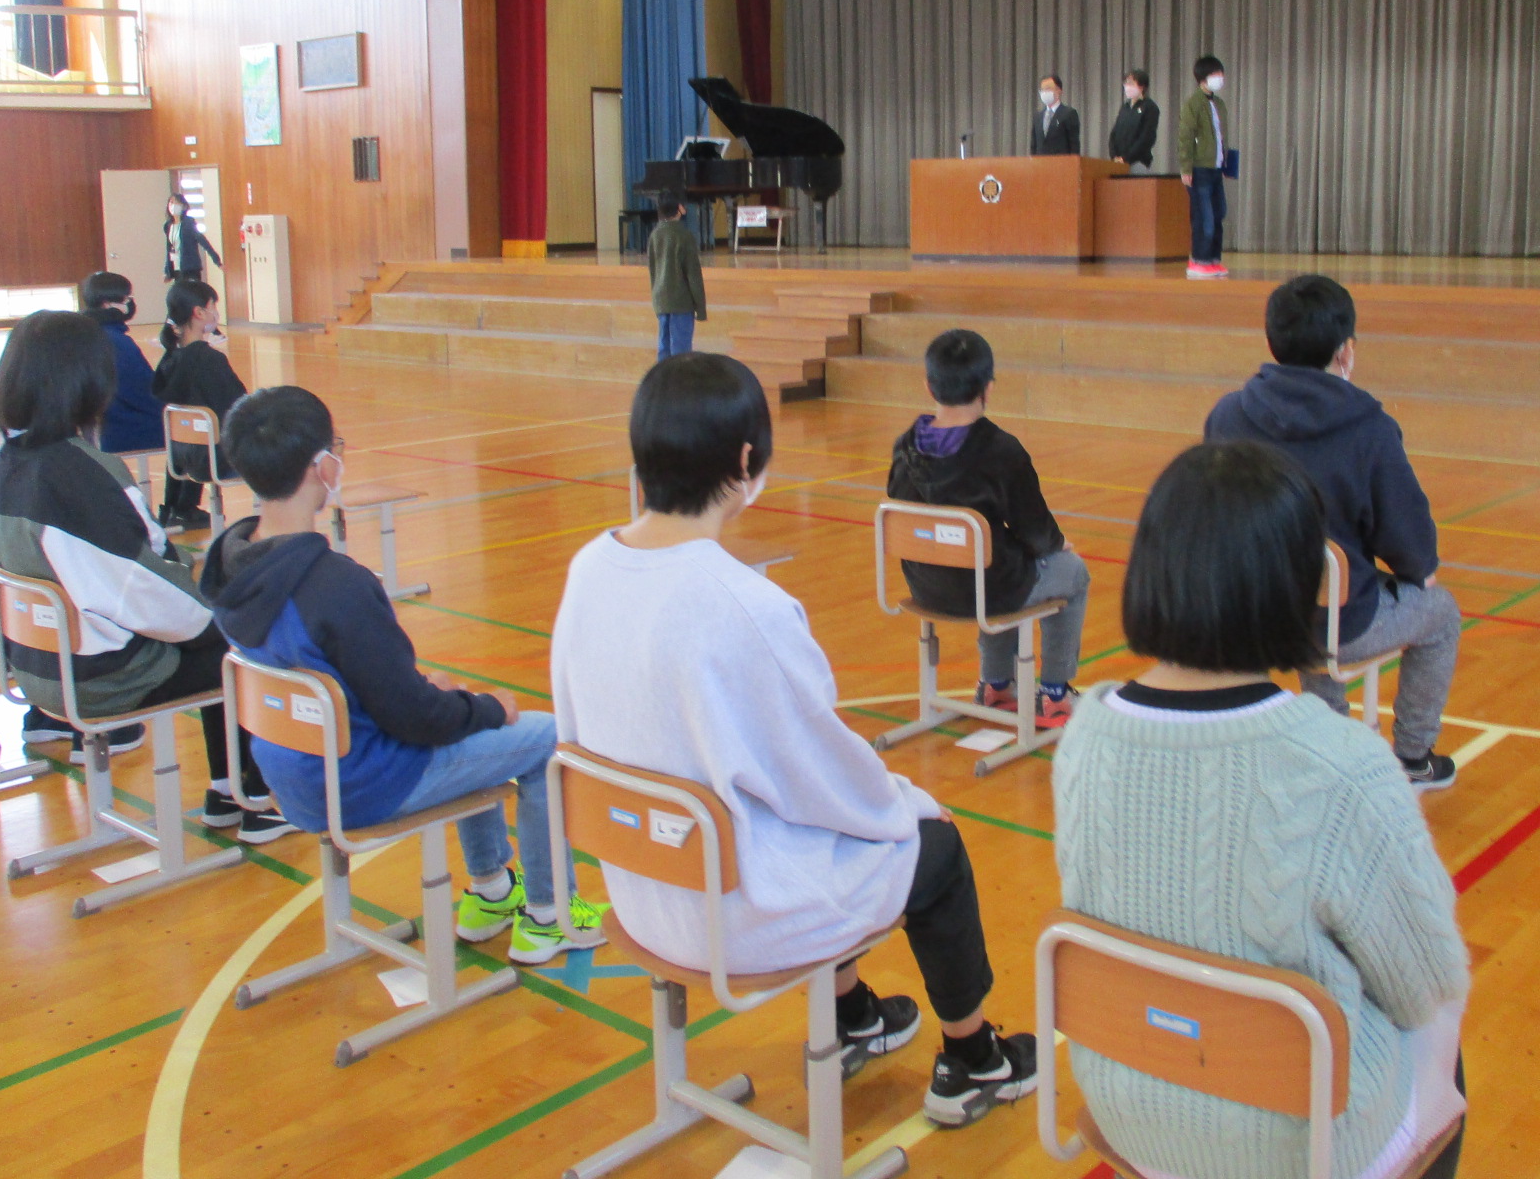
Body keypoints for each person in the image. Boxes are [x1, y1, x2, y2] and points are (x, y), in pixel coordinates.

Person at [552, 353, 1038, 1125]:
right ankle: (975, 1059)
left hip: (641, 888)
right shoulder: (745, 605)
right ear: (748, 462)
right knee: (932, 847)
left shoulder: (587, 567)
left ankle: (856, 1018)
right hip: (729, 910)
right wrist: (908, 804)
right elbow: (826, 777)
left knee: (815, 829)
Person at [1054, 441, 1470, 1179]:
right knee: (1443, 1029)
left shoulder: (1086, 732)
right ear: (1300, 584)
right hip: (1299, 1148)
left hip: (1129, 1106)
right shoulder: (1339, 763)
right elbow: (1426, 981)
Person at [206, 384, 606, 962]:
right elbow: (418, 721)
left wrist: (452, 701)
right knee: (544, 738)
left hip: (289, 771)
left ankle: (493, 891)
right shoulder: (336, 585)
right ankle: (549, 914)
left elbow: (352, 686)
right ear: (324, 466)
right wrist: (488, 707)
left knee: (460, 708)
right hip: (361, 783)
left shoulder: (232, 565)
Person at [0, 310, 288, 839]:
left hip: (35, 664)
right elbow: (140, 590)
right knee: (238, 638)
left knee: (214, 621)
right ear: (89, 382)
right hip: (100, 677)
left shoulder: (6, 465)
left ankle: (229, 790)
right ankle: (251, 796)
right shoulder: (78, 475)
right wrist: (217, 613)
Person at [1204, 276, 1462, 789]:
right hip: (1330, 619)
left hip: (1249, 613)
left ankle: (1326, 734)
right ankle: (1411, 757)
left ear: (1271, 343)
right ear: (1346, 352)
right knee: (1439, 613)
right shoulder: (1368, 427)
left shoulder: (1227, 416)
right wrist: (1420, 571)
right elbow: (1409, 542)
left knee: (1316, 582)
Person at [885, 329, 1088, 727]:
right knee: (1072, 572)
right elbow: (1035, 530)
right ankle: (1056, 693)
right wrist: (1057, 544)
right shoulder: (1000, 451)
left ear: (929, 385)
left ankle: (995, 684)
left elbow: (902, 511)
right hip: (986, 590)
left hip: (925, 585)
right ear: (989, 388)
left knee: (994, 559)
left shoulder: (904, 447)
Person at [152, 279, 245, 531]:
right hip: (212, 460)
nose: (216, 313)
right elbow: (237, 407)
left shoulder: (169, 359)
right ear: (199, 312)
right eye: (213, 306)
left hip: (180, 456)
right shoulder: (210, 360)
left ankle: (177, 509)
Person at [80, 272, 163, 456]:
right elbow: (143, 390)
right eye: (126, 298)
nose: (130, 303)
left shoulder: (88, 333)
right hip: (130, 426)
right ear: (107, 303)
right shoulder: (116, 342)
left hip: (105, 424)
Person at [1175, 54, 1231, 279]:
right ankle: (1198, 260)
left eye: (1220, 74)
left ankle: (1213, 259)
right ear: (1203, 78)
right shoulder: (1193, 103)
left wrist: (1226, 163)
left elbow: (1220, 138)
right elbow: (1185, 137)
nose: (1220, 78)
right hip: (1199, 169)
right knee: (1203, 217)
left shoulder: (1218, 103)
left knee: (1219, 214)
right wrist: (1186, 168)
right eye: (1215, 74)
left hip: (1216, 168)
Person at [647, 196, 705, 361]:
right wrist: (700, 308)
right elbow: (693, 274)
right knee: (681, 352)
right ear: (679, 208)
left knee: (663, 349)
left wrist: (656, 299)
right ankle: (679, 385)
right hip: (681, 302)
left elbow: (653, 270)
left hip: (661, 299)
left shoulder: (655, 235)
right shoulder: (684, 235)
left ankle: (663, 384)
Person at [162, 195, 222, 284]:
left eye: (176, 202)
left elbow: (202, 241)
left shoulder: (188, 223)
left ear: (183, 206)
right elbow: (169, 250)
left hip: (190, 268)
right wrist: (167, 271)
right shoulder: (168, 226)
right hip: (176, 269)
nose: (173, 205)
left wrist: (216, 260)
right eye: (171, 202)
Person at [1107, 68, 1159, 170]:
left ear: (1142, 86)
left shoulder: (1150, 107)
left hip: (1138, 162)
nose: (1127, 87)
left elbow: (1146, 138)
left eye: (1131, 83)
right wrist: (1114, 156)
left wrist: (1126, 158)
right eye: (1126, 83)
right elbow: (1114, 133)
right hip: (1118, 163)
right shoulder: (1125, 107)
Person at [1029, 73, 1081, 154]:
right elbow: (1033, 146)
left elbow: (1074, 145)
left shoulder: (1069, 114)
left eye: (1048, 89)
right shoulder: (1037, 116)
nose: (1045, 93)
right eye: (1042, 90)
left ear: (1059, 90)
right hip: (1040, 164)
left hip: (1061, 164)